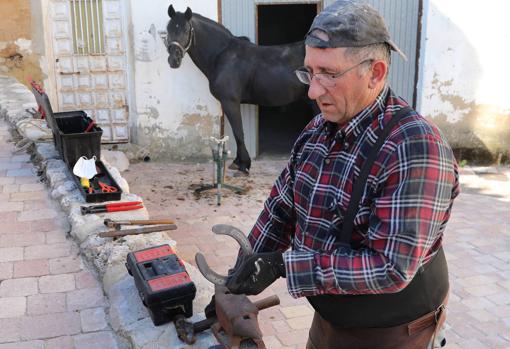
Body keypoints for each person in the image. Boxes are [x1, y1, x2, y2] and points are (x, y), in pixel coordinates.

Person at [222, 1, 460, 348]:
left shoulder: (415, 149)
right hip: (332, 320)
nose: (313, 91)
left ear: (375, 73)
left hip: (394, 333)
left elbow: (390, 267)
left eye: (329, 75)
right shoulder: (318, 130)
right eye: (310, 72)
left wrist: (286, 265)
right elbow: (281, 209)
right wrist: (247, 265)